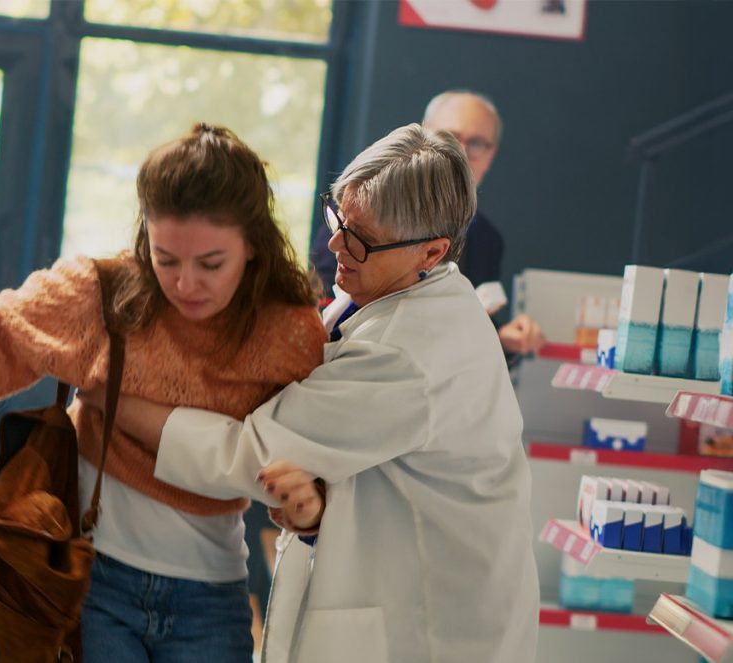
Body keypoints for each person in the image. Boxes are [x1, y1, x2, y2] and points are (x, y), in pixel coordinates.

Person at [0, 123, 329, 663]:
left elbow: (317, 462)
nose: (185, 284)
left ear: (253, 244)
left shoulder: (289, 330)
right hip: (90, 582)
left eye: (211, 264)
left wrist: (308, 505)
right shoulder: (101, 293)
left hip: (212, 592)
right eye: (165, 257)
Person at [88, 123, 541, 663]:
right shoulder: (385, 295)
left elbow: (252, 452)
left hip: (432, 628)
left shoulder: (409, 353)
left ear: (432, 250)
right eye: (338, 219)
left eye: (360, 240)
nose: (334, 246)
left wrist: (110, 397)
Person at [310, 90, 545, 355]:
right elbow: (321, 298)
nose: (462, 154)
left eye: (477, 143)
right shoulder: (354, 211)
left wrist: (500, 339)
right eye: (450, 138)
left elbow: (471, 329)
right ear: (421, 138)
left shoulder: (487, 240)